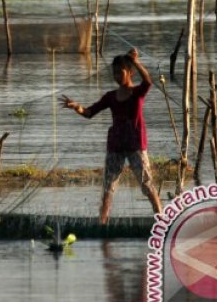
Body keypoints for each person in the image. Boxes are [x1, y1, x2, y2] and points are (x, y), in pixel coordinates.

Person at [59, 48, 163, 224]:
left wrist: (135, 61)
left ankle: (161, 221)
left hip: (135, 145)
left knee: (146, 184)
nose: (116, 76)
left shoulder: (138, 92)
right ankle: (103, 223)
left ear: (129, 72)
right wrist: (77, 107)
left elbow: (148, 81)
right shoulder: (111, 96)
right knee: (108, 188)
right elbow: (89, 112)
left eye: (119, 72)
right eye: (114, 72)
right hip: (115, 145)